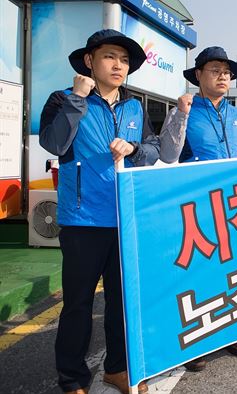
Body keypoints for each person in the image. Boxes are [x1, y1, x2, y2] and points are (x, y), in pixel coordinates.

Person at [39, 29, 159, 394]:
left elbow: (153, 150)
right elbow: (54, 142)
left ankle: (117, 369)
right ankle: (72, 378)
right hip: (83, 221)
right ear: (89, 61)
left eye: (124, 60)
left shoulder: (135, 106)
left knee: (121, 304)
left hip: (125, 220)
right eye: (110, 57)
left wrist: (135, 148)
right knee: (77, 305)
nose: (118, 65)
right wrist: (78, 97)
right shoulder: (63, 99)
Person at [159, 47, 237, 371]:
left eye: (227, 72)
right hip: (199, 208)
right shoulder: (184, 109)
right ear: (198, 75)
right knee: (200, 273)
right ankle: (196, 341)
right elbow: (170, 155)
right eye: (215, 70)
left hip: (236, 206)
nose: (223, 76)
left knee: (236, 269)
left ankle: (233, 332)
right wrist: (182, 114)